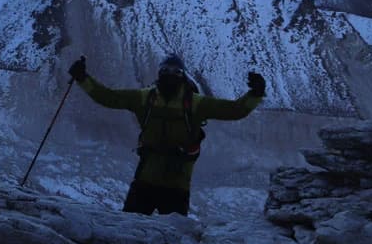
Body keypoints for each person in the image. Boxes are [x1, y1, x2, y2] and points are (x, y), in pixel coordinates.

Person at [67, 54, 265, 216]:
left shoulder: (152, 99)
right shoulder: (182, 102)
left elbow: (235, 110)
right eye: (166, 70)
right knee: (167, 240)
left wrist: (255, 94)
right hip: (165, 183)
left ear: (182, 76)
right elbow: (108, 97)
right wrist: (83, 79)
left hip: (161, 183)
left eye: (175, 71)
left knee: (135, 232)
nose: (170, 74)